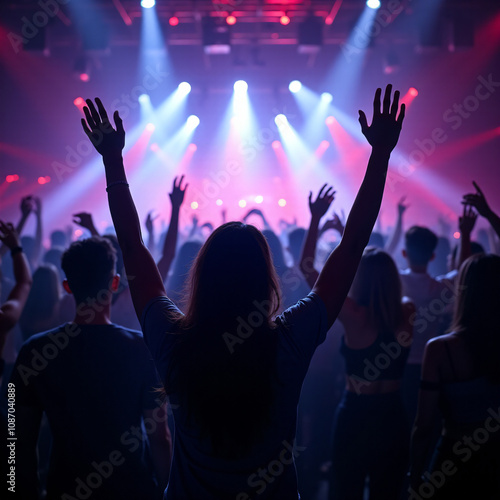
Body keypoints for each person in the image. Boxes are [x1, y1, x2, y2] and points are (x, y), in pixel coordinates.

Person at [79, 84, 405, 499]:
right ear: (265, 281)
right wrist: (379, 156)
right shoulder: (289, 340)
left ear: (203, 276)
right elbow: (352, 244)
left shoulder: (172, 340)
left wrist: (112, 160)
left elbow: (130, 247)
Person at [10, 237, 171, 499]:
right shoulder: (142, 349)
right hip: (131, 490)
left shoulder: (35, 351)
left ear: (67, 287)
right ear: (115, 283)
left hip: (65, 488)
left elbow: (17, 435)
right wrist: (167, 491)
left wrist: (17, 490)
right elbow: (160, 437)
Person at [410, 254, 500, 499]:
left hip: (453, 457)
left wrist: (415, 474)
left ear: (464, 291)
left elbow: (424, 424)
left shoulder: (440, 349)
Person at [329, 248, 414, 500]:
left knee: (346, 491)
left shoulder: (353, 314)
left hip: (355, 411)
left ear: (359, 279)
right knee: (387, 493)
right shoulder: (408, 311)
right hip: (392, 412)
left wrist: (318, 223)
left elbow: (310, 272)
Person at [399, 226, 453, 425]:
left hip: (397, 363)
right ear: (432, 256)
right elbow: (464, 271)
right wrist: (464, 234)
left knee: (402, 421)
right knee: (425, 422)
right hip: (430, 364)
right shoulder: (440, 288)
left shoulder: (396, 281)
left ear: (404, 253)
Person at [0, 221, 32, 380]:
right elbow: (24, 282)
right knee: (10, 403)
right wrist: (16, 247)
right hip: (8, 364)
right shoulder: (2, 319)